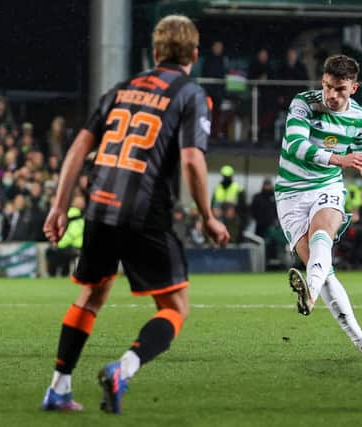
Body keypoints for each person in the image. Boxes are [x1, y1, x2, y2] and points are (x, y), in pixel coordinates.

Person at [40, 15, 229, 414]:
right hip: (144, 212)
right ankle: (122, 369)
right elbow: (193, 161)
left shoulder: (120, 89)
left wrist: (59, 207)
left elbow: (77, 150)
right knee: (175, 308)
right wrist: (208, 216)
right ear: (195, 54)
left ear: (156, 52)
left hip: (99, 206)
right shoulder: (190, 94)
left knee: (91, 294)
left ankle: (58, 388)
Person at [275, 54, 362, 354]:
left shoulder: (359, 118)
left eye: (340, 89)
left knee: (322, 240)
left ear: (353, 88)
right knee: (324, 269)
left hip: (326, 186)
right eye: (328, 86)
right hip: (290, 193)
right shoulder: (303, 103)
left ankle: (310, 294)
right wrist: (340, 159)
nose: (331, 94)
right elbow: (296, 145)